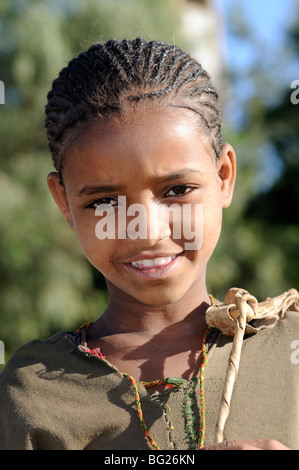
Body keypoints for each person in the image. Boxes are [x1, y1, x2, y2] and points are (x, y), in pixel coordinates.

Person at [0, 38, 298, 451]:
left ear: (224, 176)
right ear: (64, 202)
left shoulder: (289, 353)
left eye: (177, 189)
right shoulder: (33, 391)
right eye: (104, 201)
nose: (146, 231)